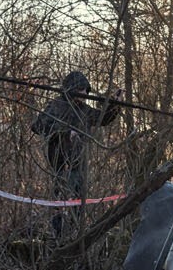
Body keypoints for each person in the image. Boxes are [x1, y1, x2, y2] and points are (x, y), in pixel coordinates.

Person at [30, 71, 122, 218]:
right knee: (61, 199)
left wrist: (114, 104)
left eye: (86, 90)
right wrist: (65, 133)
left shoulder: (84, 110)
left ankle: (76, 227)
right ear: (72, 89)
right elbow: (38, 126)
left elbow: (103, 119)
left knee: (78, 200)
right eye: (81, 89)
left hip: (79, 161)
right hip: (59, 160)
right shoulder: (56, 106)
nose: (84, 93)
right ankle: (59, 228)